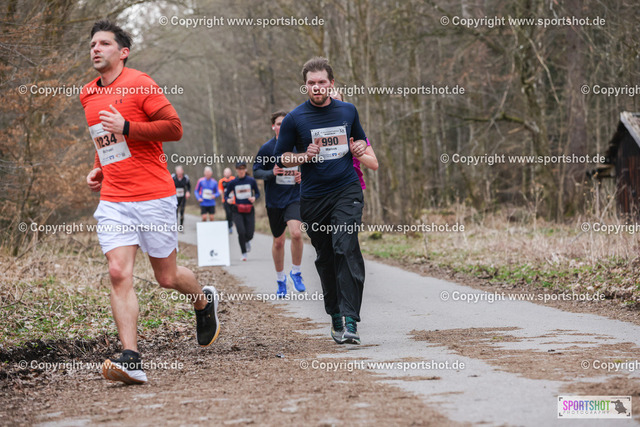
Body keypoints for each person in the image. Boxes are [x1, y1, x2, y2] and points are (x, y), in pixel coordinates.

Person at [81, 20, 219, 385]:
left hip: (154, 195)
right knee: (118, 272)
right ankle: (131, 357)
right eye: (92, 44)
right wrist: (98, 169)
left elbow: (174, 128)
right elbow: (102, 139)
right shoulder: (87, 93)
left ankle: (203, 300)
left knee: (166, 277)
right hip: (114, 198)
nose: (96, 49)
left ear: (123, 52)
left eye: (104, 43)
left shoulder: (141, 83)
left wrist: (128, 126)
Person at [274, 57, 369, 345]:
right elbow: (282, 157)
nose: (317, 87)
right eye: (311, 83)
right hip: (314, 198)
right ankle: (335, 314)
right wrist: (304, 156)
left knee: (346, 247)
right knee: (326, 256)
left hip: (346, 190)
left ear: (331, 83)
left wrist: (359, 146)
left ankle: (351, 320)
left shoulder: (348, 111)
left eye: (322, 82)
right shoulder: (294, 119)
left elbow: (361, 140)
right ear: (305, 86)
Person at [253, 111, 306, 297]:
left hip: (294, 197)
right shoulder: (267, 149)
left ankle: (296, 273)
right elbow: (256, 172)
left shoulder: (298, 146)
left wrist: (303, 176)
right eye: (278, 123)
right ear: (273, 126)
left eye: (285, 123)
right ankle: (280, 279)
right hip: (274, 201)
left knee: (296, 234)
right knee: (278, 242)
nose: (281, 126)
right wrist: (271, 173)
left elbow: (310, 167)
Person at [330, 91, 379, 188]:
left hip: (351, 187)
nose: (333, 103)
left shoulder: (354, 132)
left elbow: (374, 164)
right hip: (325, 188)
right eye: (329, 100)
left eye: (337, 100)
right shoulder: (315, 131)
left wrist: (357, 153)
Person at [224, 161, 260, 261]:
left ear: (246, 169)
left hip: (249, 209)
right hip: (237, 210)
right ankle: (244, 253)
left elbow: (257, 193)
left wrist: (254, 197)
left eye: (243, 168)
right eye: (239, 169)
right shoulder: (233, 182)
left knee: (250, 233)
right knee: (241, 231)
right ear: (236, 170)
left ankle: (247, 240)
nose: (241, 171)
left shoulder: (251, 180)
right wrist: (228, 199)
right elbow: (226, 195)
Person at [172, 165, 191, 230]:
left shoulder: (186, 178)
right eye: (178, 171)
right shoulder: (173, 177)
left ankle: (181, 227)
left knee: (182, 211)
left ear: (182, 171)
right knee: (175, 212)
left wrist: (188, 192)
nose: (179, 173)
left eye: (180, 171)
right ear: (176, 172)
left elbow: (189, 186)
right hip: (175, 197)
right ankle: (175, 226)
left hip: (183, 197)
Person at [218, 167, 235, 234]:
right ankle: (229, 226)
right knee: (228, 213)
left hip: (233, 200)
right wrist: (223, 199)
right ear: (224, 173)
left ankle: (231, 223)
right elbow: (221, 191)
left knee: (233, 213)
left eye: (228, 172)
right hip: (225, 200)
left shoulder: (234, 179)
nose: (227, 173)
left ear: (230, 173)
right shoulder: (221, 181)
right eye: (226, 172)